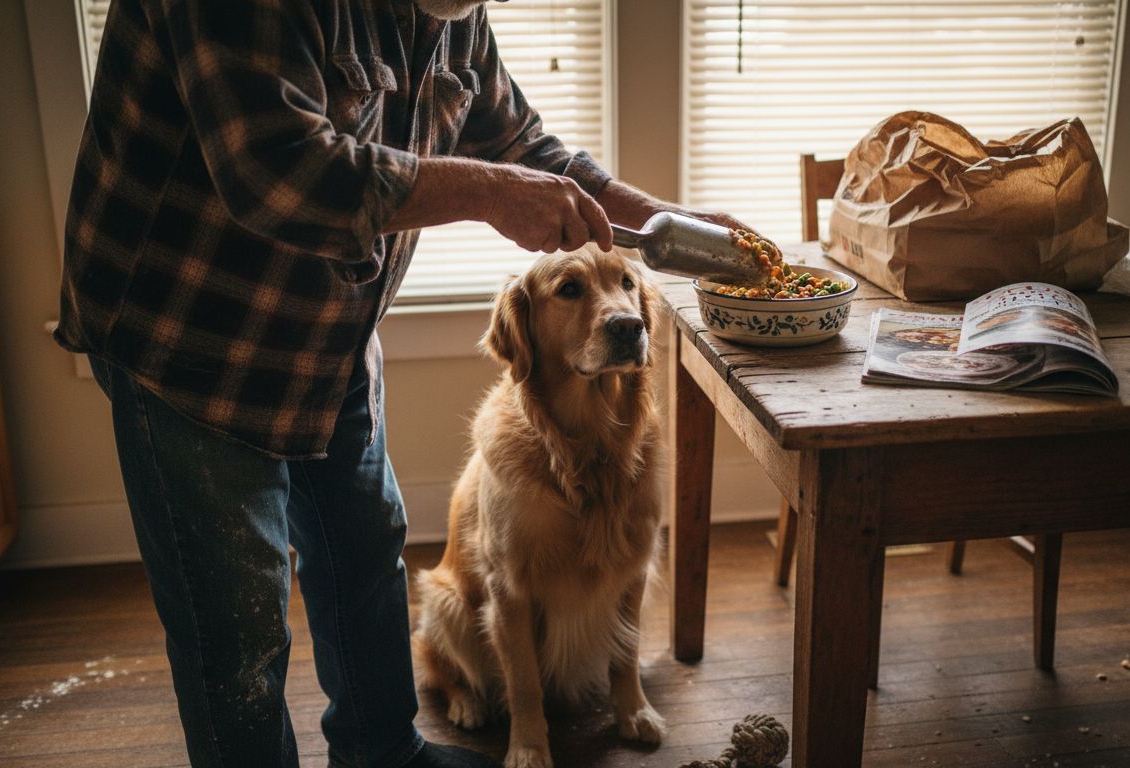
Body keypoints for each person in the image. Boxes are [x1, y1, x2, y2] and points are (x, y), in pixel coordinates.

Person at [56, 1, 741, 767]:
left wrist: (663, 221)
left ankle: (383, 754)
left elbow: (524, 145)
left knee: (362, 553)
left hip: (332, 339)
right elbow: (278, 171)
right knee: (236, 625)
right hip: (190, 342)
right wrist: (492, 193)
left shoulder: (455, 16)